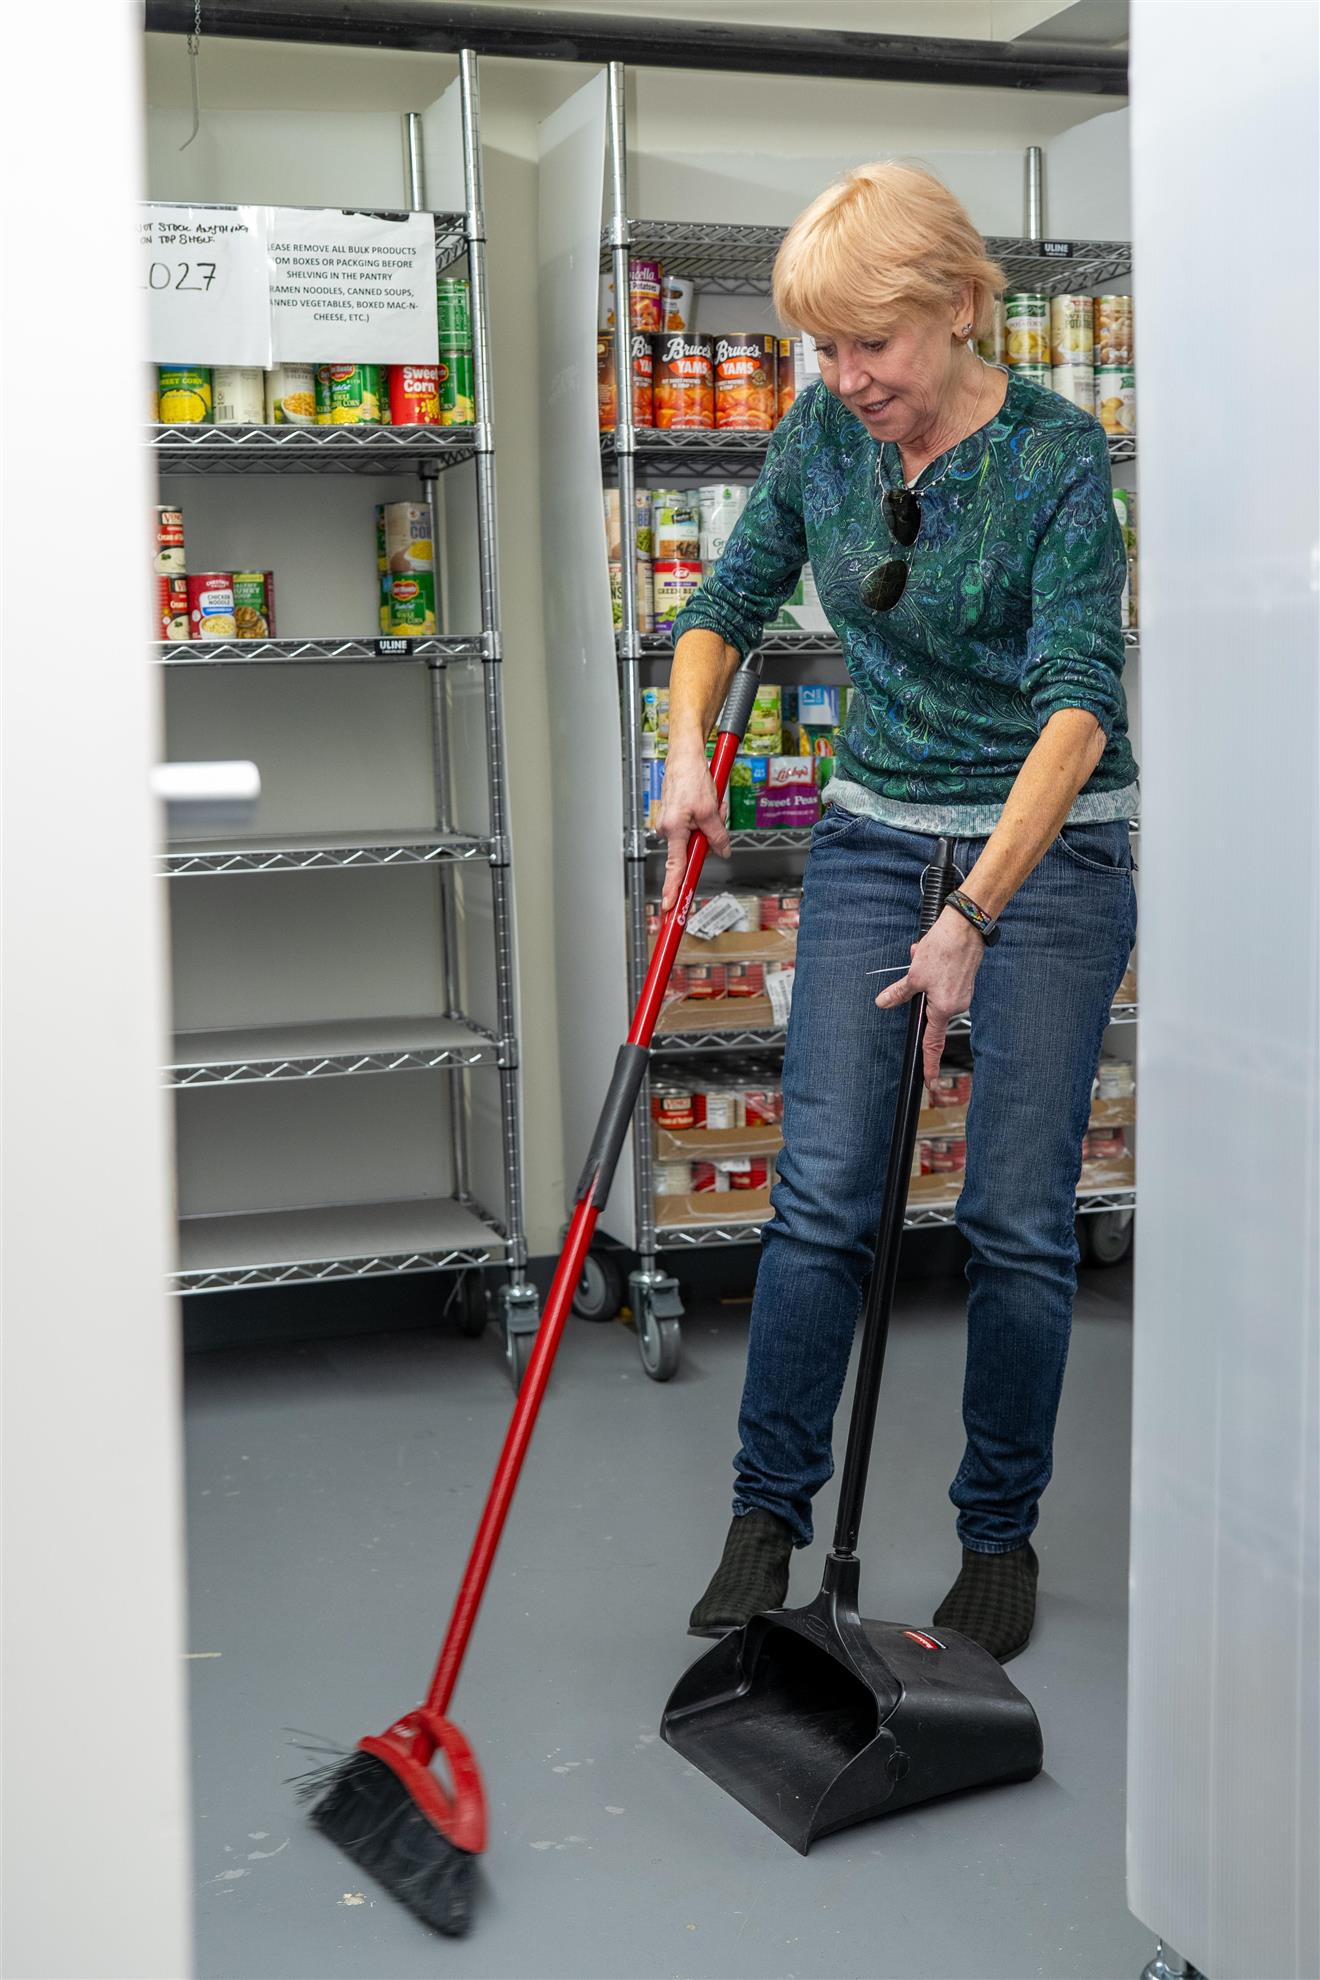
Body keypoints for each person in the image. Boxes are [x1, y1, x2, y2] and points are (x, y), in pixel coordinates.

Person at [661, 161, 1138, 1662]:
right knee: (820, 1194)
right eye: (824, 346)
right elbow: (723, 608)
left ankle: (998, 1531)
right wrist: (684, 751)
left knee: (1014, 1216)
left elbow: (1080, 709)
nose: (846, 376)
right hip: (875, 834)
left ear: (959, 307)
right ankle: (766, 1516)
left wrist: (976, 914)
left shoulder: (1056, 455)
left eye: (872, 342)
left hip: (1048, 855)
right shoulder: (822, 434)